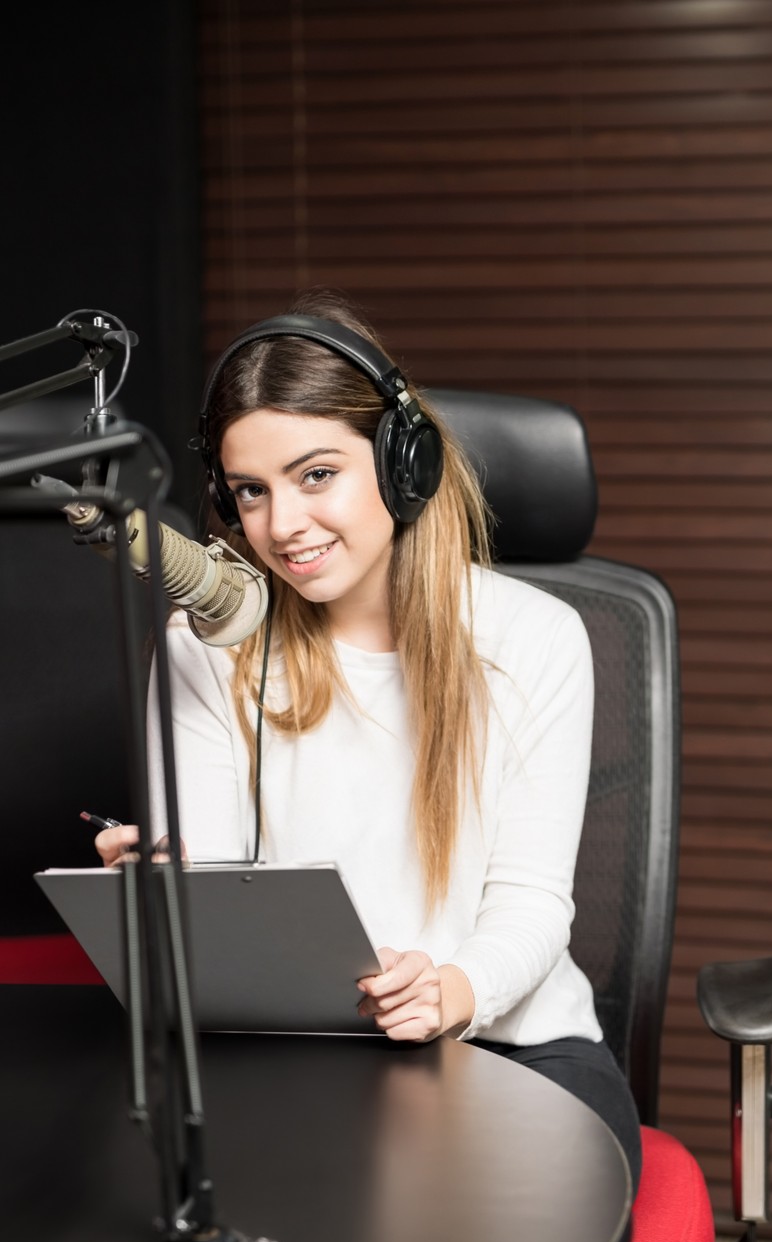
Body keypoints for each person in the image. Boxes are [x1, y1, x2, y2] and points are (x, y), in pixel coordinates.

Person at [91, 289, 642, 1188]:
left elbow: (533, 903)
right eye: (251, 493)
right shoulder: (204, 644)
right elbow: (222, 899)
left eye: (316, 475)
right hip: (294, 1053)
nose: (283, 527)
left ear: (402, 461)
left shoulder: (535, 639)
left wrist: (451, 990)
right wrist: (170, 879)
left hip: (511, 1046)